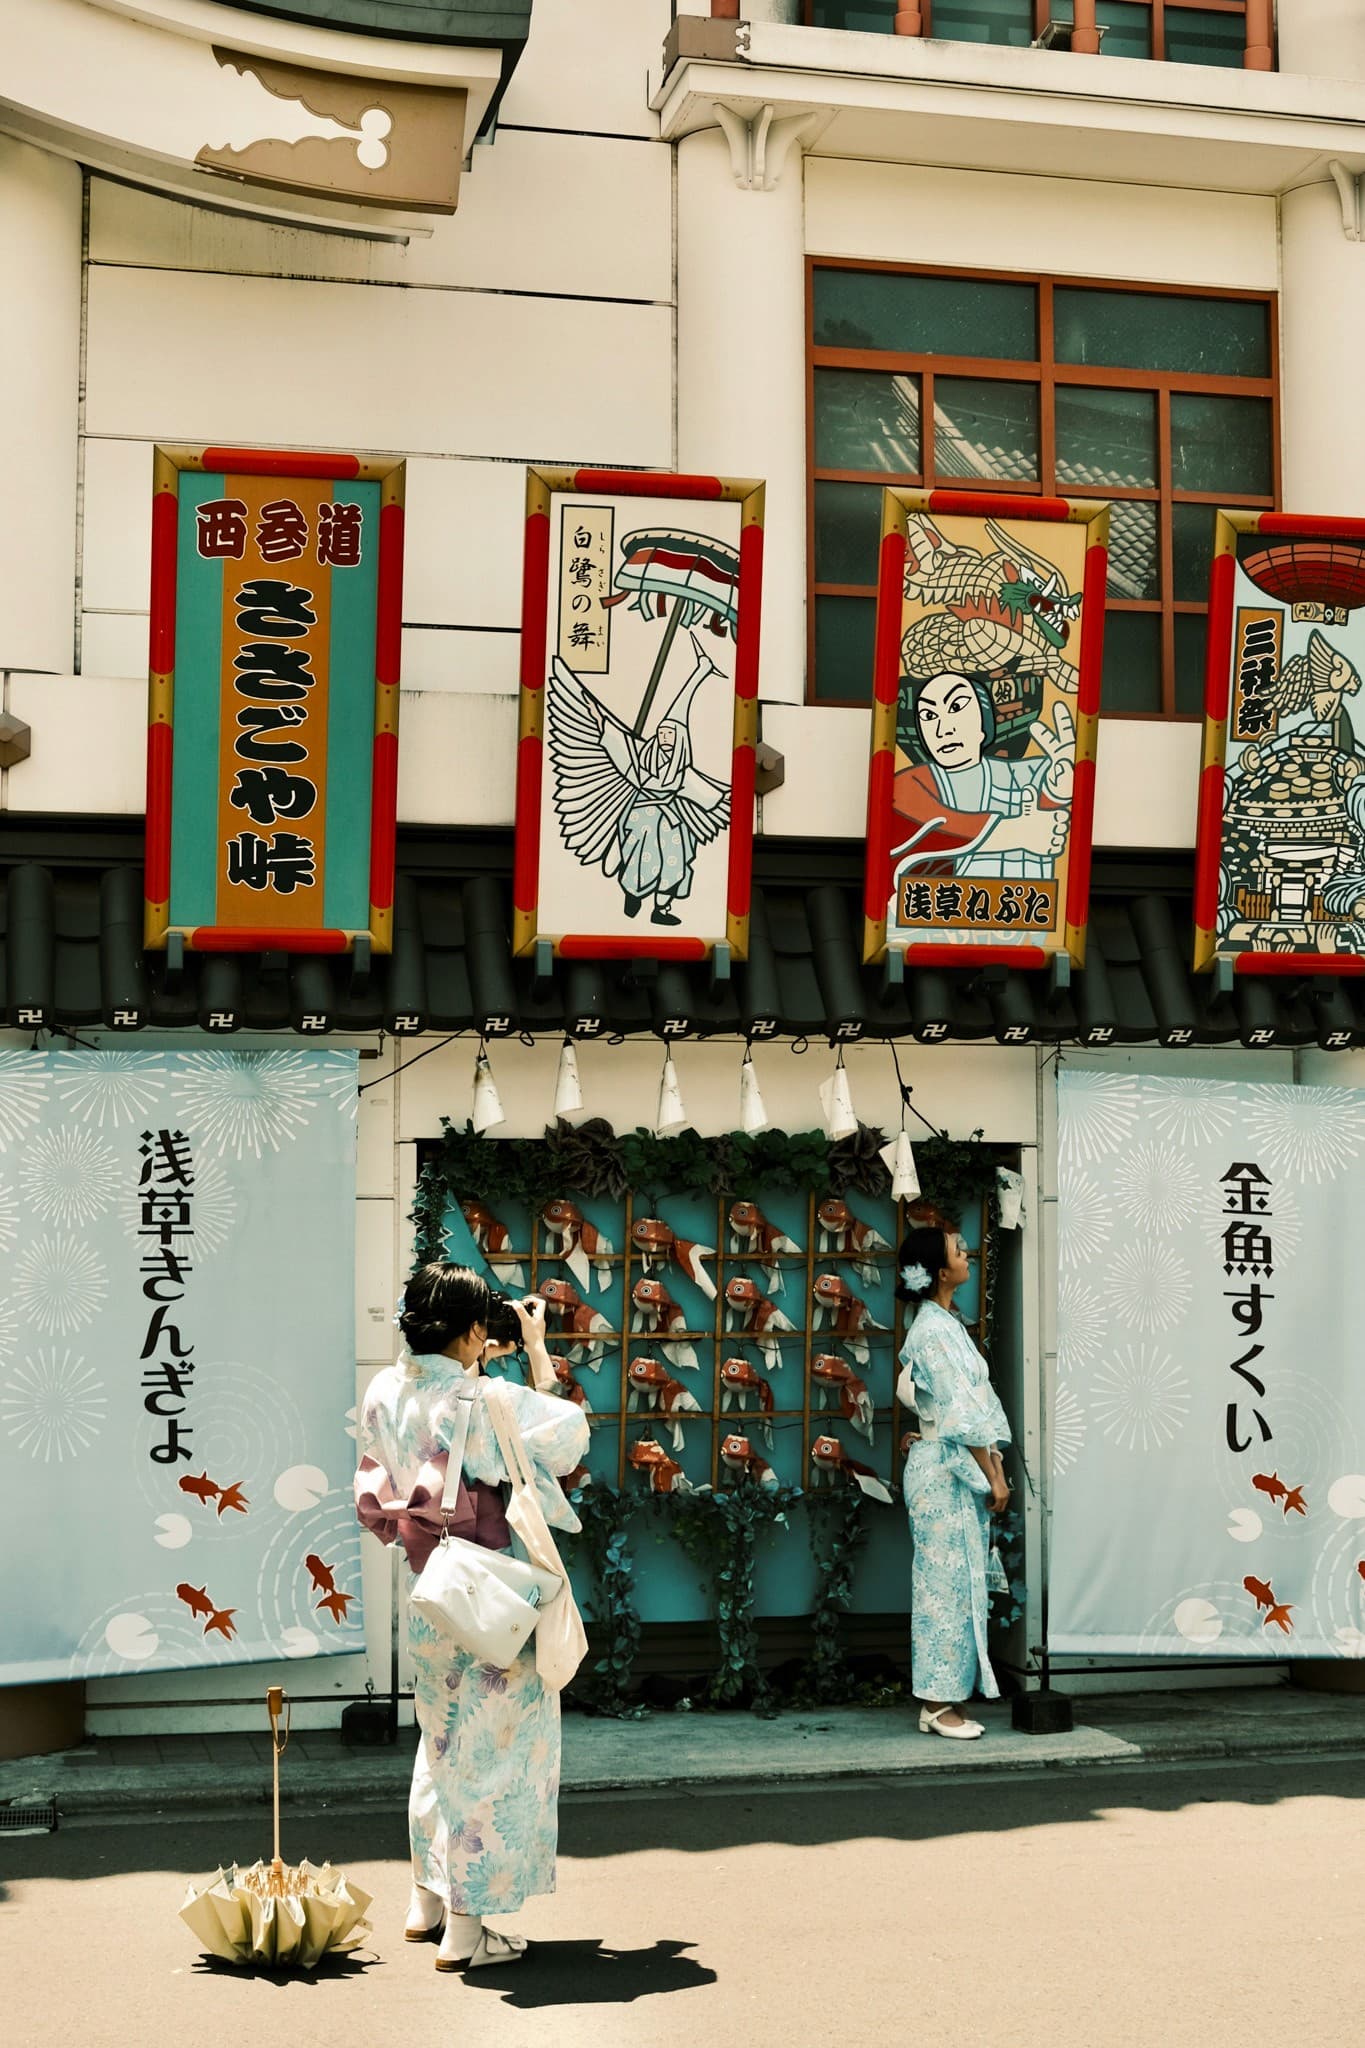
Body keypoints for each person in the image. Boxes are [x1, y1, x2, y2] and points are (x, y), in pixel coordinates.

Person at [354, 1263, 589, 1971]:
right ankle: (467, 1929)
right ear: (477, 1330)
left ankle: (425, 1900)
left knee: (441, 1742)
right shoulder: (486, 1398)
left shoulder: (385, 1389)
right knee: (495, 1757)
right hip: (488, 1598)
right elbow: (569, 1436)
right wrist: (539, 1349)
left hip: (431, 1593)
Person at [896, 1222, 1012, 1739]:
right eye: (960, 1252)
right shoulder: (933, 1330)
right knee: (942, 1586)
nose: (968, 1256)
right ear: (942, 1272)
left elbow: (975, 1408)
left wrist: (996, 1466)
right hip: (943, 1468)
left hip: (952, 1464)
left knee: (958, 1582)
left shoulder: (945, 1323)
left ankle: (945, 1697)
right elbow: (958, 1411)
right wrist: (993, 1472)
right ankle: (937, 1702)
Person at [891, 669, 1073, 879]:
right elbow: (939, 828)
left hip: (1022, 905)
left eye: (956, 707)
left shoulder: (1021, 773)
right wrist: (1020, 833)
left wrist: (1059, 788)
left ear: (984, 721)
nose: (943, 729)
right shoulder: (909, 785)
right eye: (929, 716)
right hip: (942, 906)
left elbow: (1045, 798)